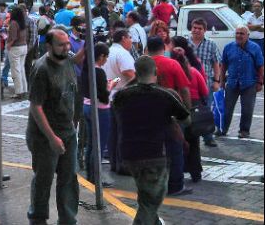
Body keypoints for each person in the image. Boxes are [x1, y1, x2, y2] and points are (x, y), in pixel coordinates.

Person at [113, 56, 190, 225]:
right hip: (153, 154)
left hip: (129, 154)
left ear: (137, 73)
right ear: (156, 72)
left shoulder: (123, 95)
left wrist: (135, 79)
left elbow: (116, 104)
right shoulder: (164, 95)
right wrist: (168, 120)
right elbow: (186, 118)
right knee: (151, 201)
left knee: (145, 195)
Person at [26, 29, 80, 225]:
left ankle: (67, 219)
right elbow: (36, 107)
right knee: (44, 179)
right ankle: (37, 218)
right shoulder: (41, 69)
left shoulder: (67, 60)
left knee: (69, 178)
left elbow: (79, 60)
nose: (66, 48)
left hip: (68, 132)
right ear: (49, 46)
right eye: (61, 44)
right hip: (44, 136)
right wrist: (51, 138)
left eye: (68, 44)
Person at [147, 36, 192, 196]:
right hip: (170, 114)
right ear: (164, 48)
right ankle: (175, 185)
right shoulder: (172, 64)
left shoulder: (143, 65)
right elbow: (185, 89)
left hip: (148, 114)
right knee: (175, 149)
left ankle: (154, 184)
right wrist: (187, 110)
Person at [80, 42, 117, 187]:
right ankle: (95, 178)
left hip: (87, 106)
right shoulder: (99, 72)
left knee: (91, 143)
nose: (106, 60)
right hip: (100, 109)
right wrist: (110, 86)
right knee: (99, 145)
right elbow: (104, 96)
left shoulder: (86, 69)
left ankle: (90, 176)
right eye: (106, 57)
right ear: (101, 56)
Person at [218, 26, 264, 139]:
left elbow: (260, 66)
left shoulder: (255, 48)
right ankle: (222, 129)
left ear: (248, 35)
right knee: (227, 108)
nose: (239, 35)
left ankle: (244, 131)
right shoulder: (228, 47)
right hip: (232, 83)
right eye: (237, 33)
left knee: (247, 109)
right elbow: (223, 65)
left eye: (242, 34)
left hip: (249, 83)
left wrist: (260, 82)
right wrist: (221, 80)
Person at [172, 46, 208, 183]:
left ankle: (178, 172)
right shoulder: (194, 72)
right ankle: (196, 173)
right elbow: (204, 91)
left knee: (177, 142)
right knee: (194, 143)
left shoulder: (173, 71)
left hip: (176, 108)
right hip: (193, 107)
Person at [103, 29, 136, 175]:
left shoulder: (109, 51)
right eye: (130, 38)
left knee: (113, 132)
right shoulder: (122, 53)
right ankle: (122, 164)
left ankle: (114, 163)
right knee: (123, 132)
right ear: (123, 38)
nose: (131, 41)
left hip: (111, 95)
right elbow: (129, 73)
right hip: (122, 95)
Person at [187, 18, 222, 148]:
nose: (196, 30)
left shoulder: (211, 44)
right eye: (194, 27)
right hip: (189, 84)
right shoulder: (186, 43)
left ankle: (208, 137)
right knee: (189, 111)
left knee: (206, 111)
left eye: (199, 28)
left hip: (206, 84)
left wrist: (217, 81)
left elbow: (216, 63)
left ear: (205, 30)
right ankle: (189, 137)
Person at [6, 5, 29, 99]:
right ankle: (24, 89)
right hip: (24, 46)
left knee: (16, 70)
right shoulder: (23, 23)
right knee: (21, 69)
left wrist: (9, 44)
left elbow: (13, 37)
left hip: (15, 48)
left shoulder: (13, 23)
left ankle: (18, 92)